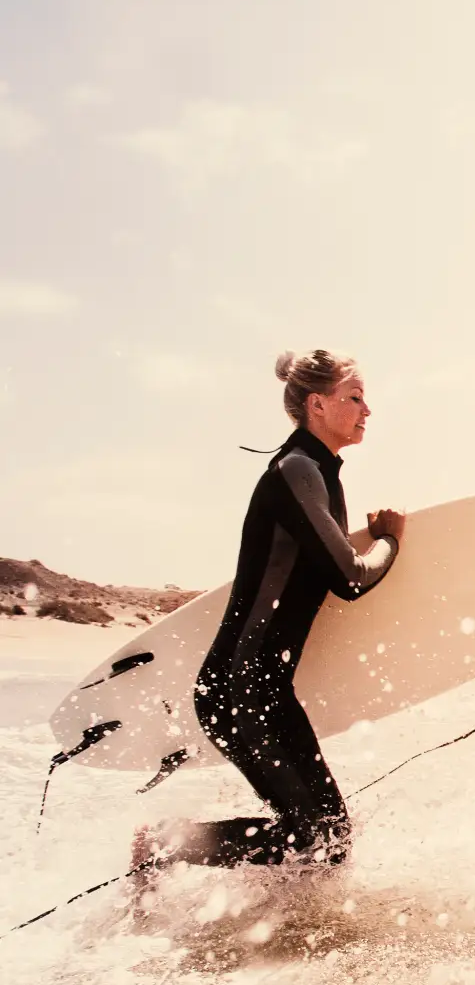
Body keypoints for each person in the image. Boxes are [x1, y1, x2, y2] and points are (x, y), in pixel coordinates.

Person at [133, 350, 405, 878]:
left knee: (328, 837)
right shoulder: (298, 469)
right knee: (321, 837)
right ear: (317, 404)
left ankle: (208, 873)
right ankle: (165, 843)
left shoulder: (316, 471)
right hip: (241, 689)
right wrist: (390, 540)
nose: (366, 408)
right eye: (354, 397)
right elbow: (349, 578)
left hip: (258, 687)